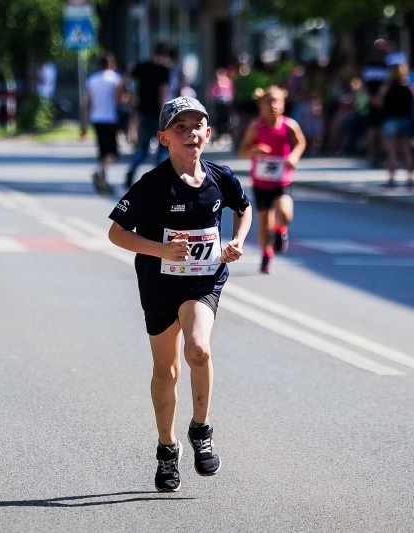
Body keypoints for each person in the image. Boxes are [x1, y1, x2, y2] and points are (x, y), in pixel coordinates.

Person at [107, 96, 252, 493]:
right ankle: (167, 448)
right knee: (166, 371)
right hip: (158, 283)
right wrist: (161, 250)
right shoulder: (153, 184)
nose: (190, 133)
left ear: (208, 133)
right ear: (164, 137)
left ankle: (201, 429)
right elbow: (116, 233)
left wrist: (237, 240)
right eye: (180, 128)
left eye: (196, 126)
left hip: (203, 281)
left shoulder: (220, 178)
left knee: (199, 349)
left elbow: (244, 207)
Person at [238, 85, 306, 274]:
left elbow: (300, 143)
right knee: (263, 223)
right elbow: (242, 151)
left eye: (277, 102)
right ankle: (266, 255)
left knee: (285, 213)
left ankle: (280, 230)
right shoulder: (256, 127)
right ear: (261, 106)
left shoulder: (289, 125)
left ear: (283, 105)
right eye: (269, 102)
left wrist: (294, 157)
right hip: (261, 182)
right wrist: (254, 151)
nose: (273, 106)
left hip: (281, 180)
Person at [124, 42, 171, 188]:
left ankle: (131, 170)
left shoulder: (141, 67)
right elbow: (162, 92)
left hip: (142, 112)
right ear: (164, 55)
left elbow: (131, 85)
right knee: (162, 147)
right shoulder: (163, 70)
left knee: (143, 148)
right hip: (157, 113)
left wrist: (134, 102)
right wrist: (164, 112)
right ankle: (159, 178)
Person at [81, 54, 124, 195]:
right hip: (110, 118)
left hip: (96, 118)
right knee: (112, 152)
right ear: (111, 64)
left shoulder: (92, 80)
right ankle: (100, 173)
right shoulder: (115, 79)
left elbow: (87, 103)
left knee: (102, 150)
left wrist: (84, 125)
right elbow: (118, 100)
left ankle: (104, 181)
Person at [376, 63, 414, 188]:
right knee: (407, 151)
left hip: (391, 120)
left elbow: (379, 104)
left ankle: (392, 179)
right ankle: (410, 179)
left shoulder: (386, 88)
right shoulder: (409, 88)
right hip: (406, 119)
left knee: (392, 152)